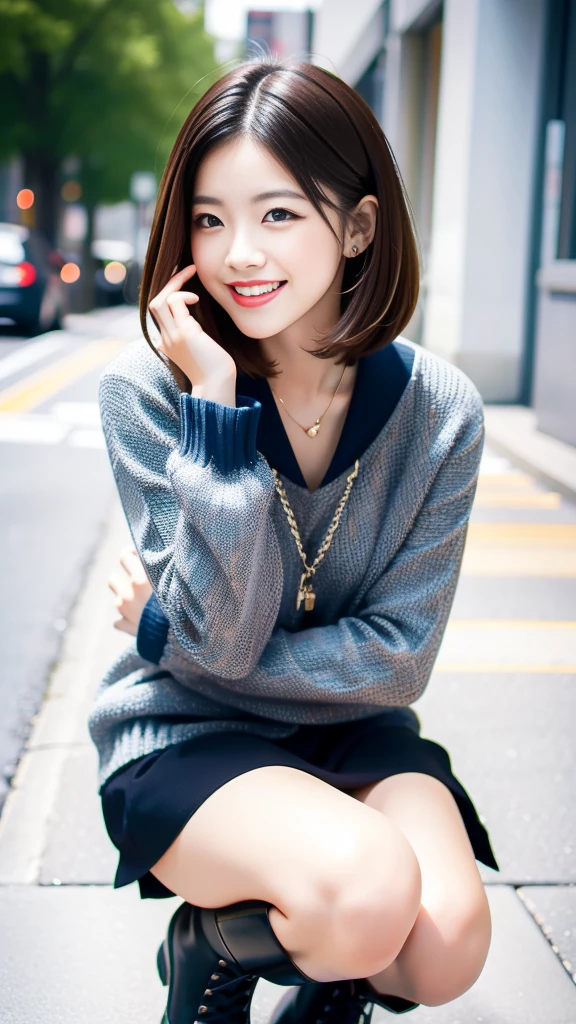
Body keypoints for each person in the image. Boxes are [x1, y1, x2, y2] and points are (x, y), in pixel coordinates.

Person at [89, 53, 500, 1024]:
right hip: (189, 733)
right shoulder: (150, 393)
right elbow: (223, 644)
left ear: (358, 225)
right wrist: (218, 415)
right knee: (364, 894)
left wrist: (164, 635)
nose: (238, 254)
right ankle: (215, 943)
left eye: (278, 214)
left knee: (443, 951)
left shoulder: (442, 414)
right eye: (209, 217)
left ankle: (319, 981)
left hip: (354, 734)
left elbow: (397, 664)